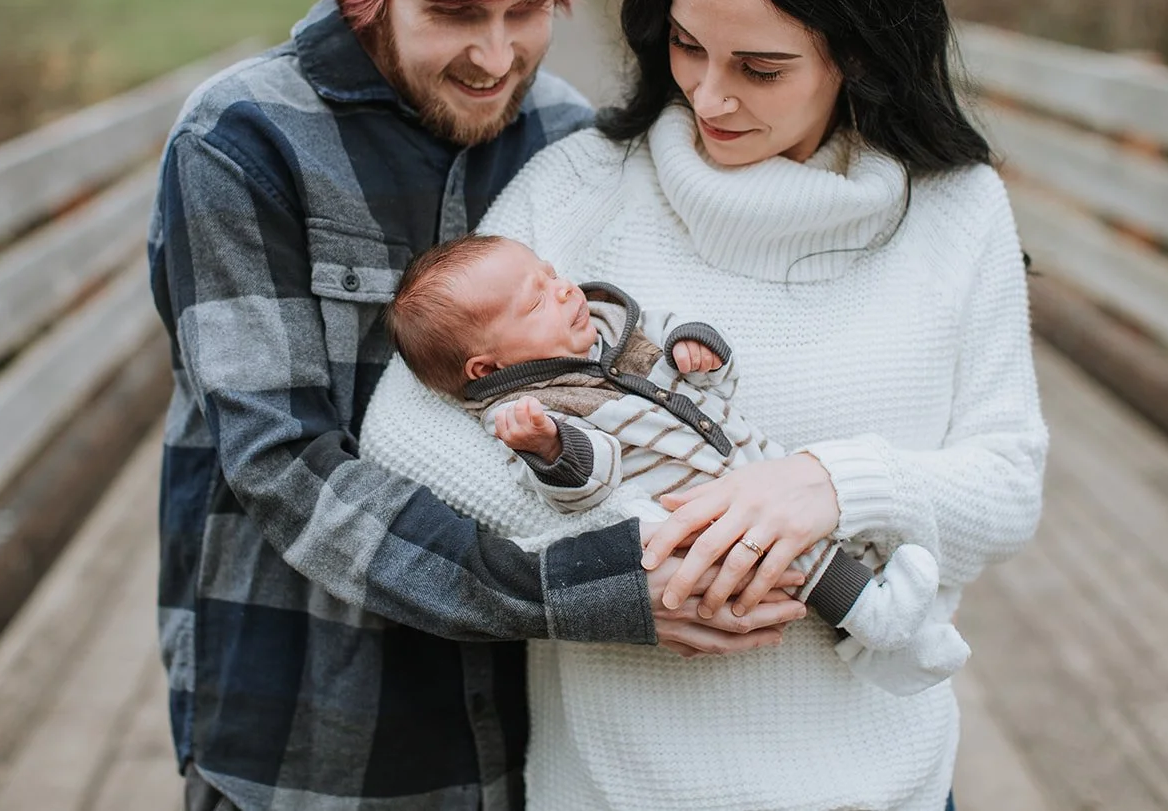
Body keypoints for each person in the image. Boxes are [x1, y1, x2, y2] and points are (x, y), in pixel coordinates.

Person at [146, 0, 805, 811]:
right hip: (313, 727)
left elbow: (621, 374)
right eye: (454, 14)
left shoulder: (564, 137)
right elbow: (281, 464)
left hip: (533, 721)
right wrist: (580, 586)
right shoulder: (240, 142)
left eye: (525, 12)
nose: (496, 57)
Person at [360, 0, 1048, 810]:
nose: (709, 95)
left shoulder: (957, 208)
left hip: (882, 785)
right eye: (686, 46)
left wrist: (830, 486)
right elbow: (404, 426)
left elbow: (1008, 482)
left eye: (759, 67)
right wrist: (630, 558)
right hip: (616, 787)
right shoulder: (579, 185)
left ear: (855, 50)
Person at [384, 232, 972, 694]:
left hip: (749, 458)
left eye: (551, 273)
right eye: (536, 299)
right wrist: (548, 448)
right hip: (702, 509)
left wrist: (699, 349)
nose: (564, 289)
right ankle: (878, 621)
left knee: (820, 527)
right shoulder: (529, 412)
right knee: (797, 560)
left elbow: (711, 382)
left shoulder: (614, 331)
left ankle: (887, 646)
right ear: (486, 369)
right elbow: (591, 482)